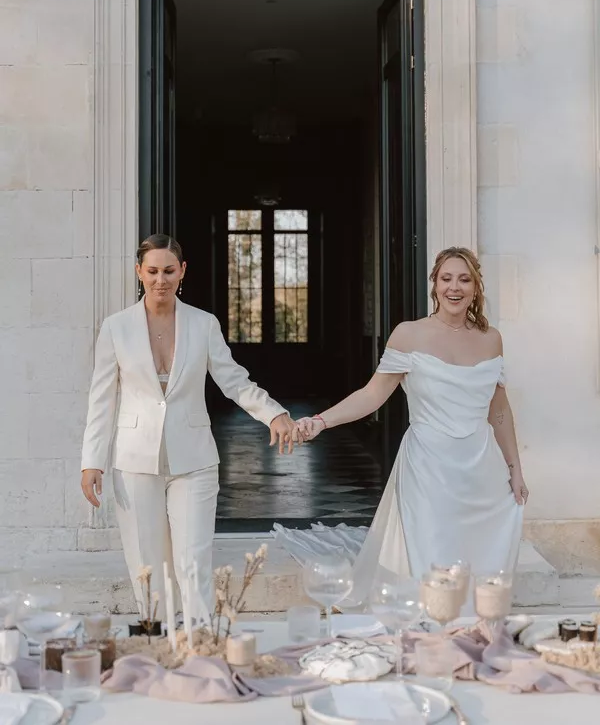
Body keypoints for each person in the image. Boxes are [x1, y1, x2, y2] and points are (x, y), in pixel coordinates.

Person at [80, 233, 298, 616]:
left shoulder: (203, 323)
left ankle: (201, 640)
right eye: (152, 271)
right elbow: (101, 399)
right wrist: (91, 461)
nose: (160, 280)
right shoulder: (115, 327)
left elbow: (233, 380)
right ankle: (157, 637)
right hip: (134, 461)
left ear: (182, 271)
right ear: (139, 272)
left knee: (193, 563)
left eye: (168, 271)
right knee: (146, 566)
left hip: (195, 459)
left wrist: (273, 413)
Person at [295, 247, 527, 605]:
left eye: (464, 279)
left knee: (481, 556)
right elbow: (372, 395)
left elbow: (499, 412)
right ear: (434, 284)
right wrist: (321, 421)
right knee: (433, 556)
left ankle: (472, 623)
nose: (454, 287)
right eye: (446, 278)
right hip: (428, 467)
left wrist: (515, 469)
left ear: (476, 287)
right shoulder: (408, 334)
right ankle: (435, 624)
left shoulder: (491, 339)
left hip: (482, 470)